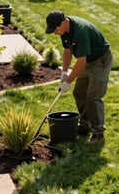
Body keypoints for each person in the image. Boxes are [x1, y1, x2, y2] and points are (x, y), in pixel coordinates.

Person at [45, 11, 113, 144]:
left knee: (93, 97)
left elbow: (81, 61)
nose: (55, 32)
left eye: (56, 29)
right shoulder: (64, 31)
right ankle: (85, 125)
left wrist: (69, 81)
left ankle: (98, 135)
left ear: (63, 22)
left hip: (100, 61)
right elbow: (67, 51)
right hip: (87, 60)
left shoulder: (81, 31)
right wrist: (64, 73)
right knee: (79, 92)